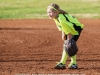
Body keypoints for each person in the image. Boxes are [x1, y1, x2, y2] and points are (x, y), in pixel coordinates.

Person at [47, 3, 84, 69]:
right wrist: (63, 34)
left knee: (69, 45)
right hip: (71, 29)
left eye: (50, 12)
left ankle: (72, 63)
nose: (48, 14)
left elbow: (68, 29)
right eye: (47, 12)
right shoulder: (56, 17)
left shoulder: (61, 18)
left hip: (75, 30)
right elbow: (62, 27)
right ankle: (64, 63)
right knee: (68, 45)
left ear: (56, 12)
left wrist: (68, 41)